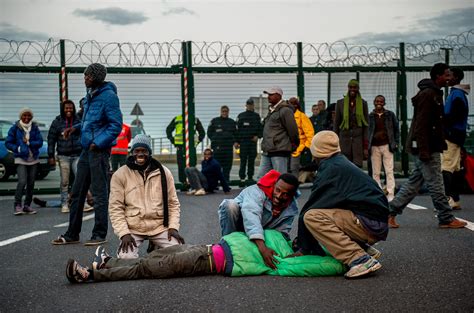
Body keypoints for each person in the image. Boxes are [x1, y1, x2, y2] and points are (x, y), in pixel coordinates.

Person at [65, 229, 345, 283]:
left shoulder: (283, 262)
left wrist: (345, 263)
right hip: (204, 248)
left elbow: (313, 266)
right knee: (149, 260)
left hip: (205, 261)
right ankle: (107, 263)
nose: (298, 247)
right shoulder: (278, 238)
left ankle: (91, 274)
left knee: (146, 269)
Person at [293, 131, 389, 279]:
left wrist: (303, 247)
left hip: (369, 224)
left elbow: (311, 207)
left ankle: (359, 259)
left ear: (316, 151)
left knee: (312, 217)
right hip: (375, 221)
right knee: (327, 209)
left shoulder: (330, 170)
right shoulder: (340, 162)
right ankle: (362, 247)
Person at [388, 63, 467, 229]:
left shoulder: (434, 93)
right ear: (438, 76)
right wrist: (424, 150)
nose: (449, 78)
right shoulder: (428, 94)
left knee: (414, 183)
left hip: (429, 146)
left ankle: (390, 212)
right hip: (426, 147)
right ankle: (445, 218)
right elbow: (421, 125)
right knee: (437, 183)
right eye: (446, 75)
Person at [52, 63, 123, 246]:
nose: (85, 79)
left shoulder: (109, 97)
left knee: (99, 194)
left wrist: (97, 143)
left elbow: (115, 126)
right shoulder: (90, 96)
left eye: (88, 76)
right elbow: (89, 123)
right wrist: (74, 129)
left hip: (98, 151)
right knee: (77, 193)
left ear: (97, 77)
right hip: (86, 150)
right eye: (85, 75)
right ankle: (72, 234)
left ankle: (99, 234)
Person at [108, 134, 184, 258]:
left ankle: (156, 245)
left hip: (159, 226)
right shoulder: (120, 175)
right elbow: (115, 208)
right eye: (137, 151)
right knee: (126, 259)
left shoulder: (164, 172)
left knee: (180, 254)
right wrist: (124, 233)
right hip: (133, 227)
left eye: (144, 151)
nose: (140, 154)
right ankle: (155, 249)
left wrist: (173, 227)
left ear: (149, 153)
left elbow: (173, 203)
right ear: (132, 153)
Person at [218, 170, 299, 269]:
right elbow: (251, 217)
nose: (279, 196)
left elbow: (280, 233)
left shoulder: (292, 207)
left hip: (260, 232)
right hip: (242, 225)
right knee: (230, 206)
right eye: (277, 190)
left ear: (292, 195)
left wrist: (289, 247)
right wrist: (263, 249)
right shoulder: (256, 191)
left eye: (285, 194)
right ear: (274, 185)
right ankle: (227, 245)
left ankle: (252, 246)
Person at [46, 99, 82, 213]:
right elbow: (51, 139)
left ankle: (82, 202)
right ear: (63, 109)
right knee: (65, 181)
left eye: (70, 108)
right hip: (63, 156)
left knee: (80, 179)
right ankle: (64, 203)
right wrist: (50, 155)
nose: (69, 110)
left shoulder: (78, 120)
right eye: (66, 108)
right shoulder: (57, 121)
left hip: (77, 155)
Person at [5, 108, 43, 215]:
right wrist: (18, 148)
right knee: (22, 181)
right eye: (24, 116)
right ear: (20, 116)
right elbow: (8, 143)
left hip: (33, 159)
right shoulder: (15, 128)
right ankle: (17, 205)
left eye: (29, 116)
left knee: (31, 183)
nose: (26, 118)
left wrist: (30, 142)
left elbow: (40, 142)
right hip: (20, 159)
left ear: (31, 117)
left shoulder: (35, 128)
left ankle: (27, 205)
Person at [442, 68, 470, 210]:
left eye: (450, 76)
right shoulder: (457, 93)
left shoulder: (457, 94)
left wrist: (446, 125)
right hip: (456, 134)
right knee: (455, 166)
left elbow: (456, 113)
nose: (447, 78)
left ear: (457, 77)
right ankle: (456, 198)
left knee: (446, 167)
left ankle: (449, 198)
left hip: (452, 135)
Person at [257, 87, 299, 178]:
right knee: (261, 178)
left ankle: (291, 192)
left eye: (271, 94)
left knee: (280, 178)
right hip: (268, 150)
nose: (268, 97)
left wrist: (294, 143)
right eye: (268, 94)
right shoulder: (271, 110)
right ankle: (264, 193)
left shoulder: (285, 110)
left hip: (279, 150)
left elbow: (293, 130)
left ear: (278, 95)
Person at [368, 95, 399, 201]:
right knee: (375, 172)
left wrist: (396, 143)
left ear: (384, 103)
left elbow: (396, 130)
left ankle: (390, 194)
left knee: (389, 171)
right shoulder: (370, 116)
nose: (379, 103)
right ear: (374, 102)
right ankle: (378, 193)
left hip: (387, 145)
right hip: (374, 147)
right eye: (377, 101)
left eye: (381, 101)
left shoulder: (390, 115)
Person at [334, 79, 369, 168]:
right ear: (348, 88)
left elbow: (366, 125)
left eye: (355, 87)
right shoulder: (340, 103)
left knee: (357, 166)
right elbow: (336, 123)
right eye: (351, 87)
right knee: (344, 165)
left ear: (358, 88)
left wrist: (365, 146)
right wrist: (335, 143)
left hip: (358, 140)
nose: (353, 89)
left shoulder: (363, 103)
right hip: (344, 139)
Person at [166, 114, 205, 185]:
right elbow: (168, 130)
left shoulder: (195, 119)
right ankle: (183, 183)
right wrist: (173, 141)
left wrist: (196, 142)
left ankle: (192, 183)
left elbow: (202, 132)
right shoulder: (177, 119)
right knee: (181, 165)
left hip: (190, 147)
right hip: (180, 146)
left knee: (192, 164)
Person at [207, 105, 237, 183]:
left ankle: (226, 182)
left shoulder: (232, 122)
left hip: (228, 148)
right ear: (221, 112)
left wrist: (235, 142)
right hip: (218, 148)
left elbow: (235, 134)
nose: (224, 113)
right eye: (223, 111)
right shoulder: (215, 121)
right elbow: (209, 132)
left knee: (227, 167)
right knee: (216, 166)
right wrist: (215, 140)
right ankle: (215, 183)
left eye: (226, 111)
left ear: (228, 112)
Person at [235, 98, 262, 185]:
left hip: (252, 142)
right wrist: (236, 141)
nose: (250, 106)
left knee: (251, 160)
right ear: (246, 105)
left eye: (251, 105)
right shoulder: (241, 116)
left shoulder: (256, 116)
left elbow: (261, 128)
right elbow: (237, 130)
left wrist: (258, 136)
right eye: (248, 105)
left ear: (253, 105)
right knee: (243, 161)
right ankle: (242, 178)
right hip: (243, 142)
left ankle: (250, 178)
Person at [288, 97, 314, 176]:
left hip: (298, 148)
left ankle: (293, 187)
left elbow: (309, 133)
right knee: (286, 169)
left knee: (294, 168)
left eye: (291, 104)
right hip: (286, 147)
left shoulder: (302, 116)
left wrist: (306, 146)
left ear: (296, 105)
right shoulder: (287, 116)